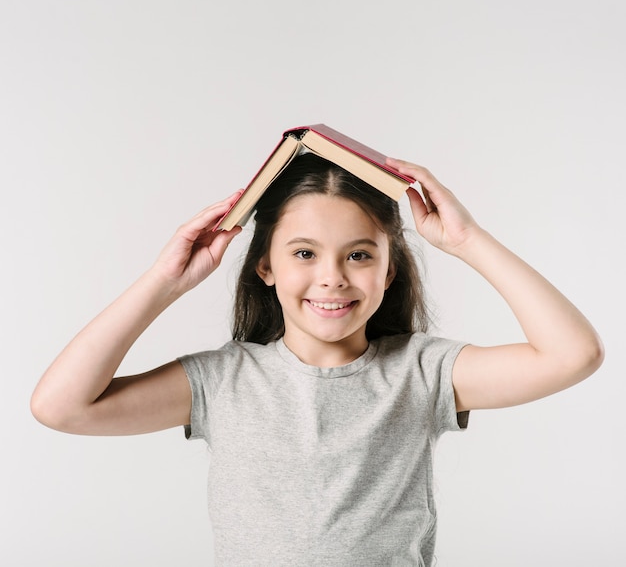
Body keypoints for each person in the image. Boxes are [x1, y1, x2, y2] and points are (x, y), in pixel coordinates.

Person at [31, 153, 603, 566]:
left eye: (359, 254)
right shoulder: (221, 381)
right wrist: (164, 281)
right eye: (304, 253)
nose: (332, 276)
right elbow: (61, 407)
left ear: (390, 270)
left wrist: (467, 240)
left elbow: (573, 354)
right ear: (265, 267)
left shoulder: (422, 372)